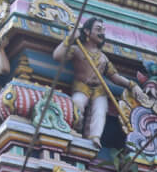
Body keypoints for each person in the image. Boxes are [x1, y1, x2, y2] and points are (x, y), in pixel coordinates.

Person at [52, 17, 131, 147]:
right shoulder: (77, 49)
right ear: (87, 32)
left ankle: (94, 137)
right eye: (98, 29)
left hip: (99, 89)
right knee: (77, 104)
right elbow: (57, 56)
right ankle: (76, 128)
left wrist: (131, 85)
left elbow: (114, 76)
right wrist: (70, 38)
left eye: (103, 30)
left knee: (100, 111)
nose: (102, 33)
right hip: (82, 86)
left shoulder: (103, 57)